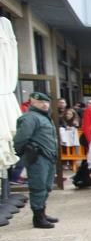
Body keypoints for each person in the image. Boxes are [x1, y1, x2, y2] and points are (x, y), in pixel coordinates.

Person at [13, 91, 59, 228]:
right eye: (41, 102)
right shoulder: (30, 118)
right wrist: (24, 153)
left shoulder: (44, 117)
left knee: (46, 186)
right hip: (38, 157)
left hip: (48, 157)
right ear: (32, 102)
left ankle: (42, 213)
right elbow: (21, 138)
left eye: (46, 102)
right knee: (38, 187)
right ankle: (38, 218)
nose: (44, 105)